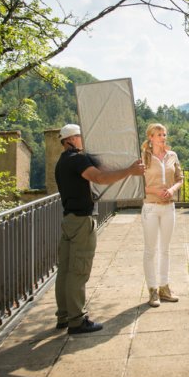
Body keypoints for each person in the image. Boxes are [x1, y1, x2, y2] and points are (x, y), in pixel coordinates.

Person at [55, 123, 145, 334]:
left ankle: (64, 316)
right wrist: (130, 171)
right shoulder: (78, 159)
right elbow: (100, 178)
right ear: (71, 139)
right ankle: (77, 320)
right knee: (79, 270)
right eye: (80, 136)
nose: (83, 140)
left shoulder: (62, 162)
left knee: (65, 271)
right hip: (81, 221)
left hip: (68, 219)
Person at [141, 123, 184, 307]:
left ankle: (164, 288)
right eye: (159, 134)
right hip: (150, 207)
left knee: (165, 249)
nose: (163, 137)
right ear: (150, 137)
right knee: (150, 250)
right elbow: (136, 184)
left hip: (168, 207)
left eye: (164, 134)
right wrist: (155, 191)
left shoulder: (172, 156)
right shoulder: (143, 157)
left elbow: (180, 179)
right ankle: (152, 291)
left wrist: (172, 190)